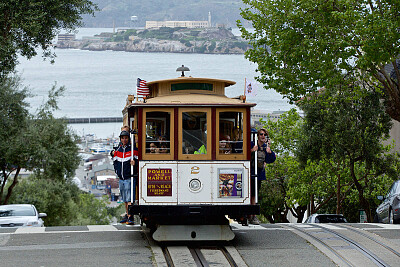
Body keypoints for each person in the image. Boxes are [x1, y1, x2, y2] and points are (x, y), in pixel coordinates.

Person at [249, 128, 276, 225]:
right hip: (250, 173)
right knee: (250, 194)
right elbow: (244, 156)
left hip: (259, 175)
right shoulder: (252, 144)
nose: (263, 136)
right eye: (261, 134)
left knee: (255, 195)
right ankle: (250, 215)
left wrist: (270, 152)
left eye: (264, 134)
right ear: (258, 136)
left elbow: (270, 160)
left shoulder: (266, 147)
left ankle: (253, 215)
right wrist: (252, 150)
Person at [113, 130, 137, 225]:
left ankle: (131, 216)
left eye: (126, 138)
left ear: (128, 139)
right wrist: (117, 172)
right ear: (120, 139)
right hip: (121, 178)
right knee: (125, 199)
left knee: (130, 198)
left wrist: (134, 163)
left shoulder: (132, 150)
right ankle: (127, 214)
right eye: (122, 138)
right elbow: (115, 162)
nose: (124, 139)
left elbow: (138, 160)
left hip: (129, 177)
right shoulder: (118, 151)